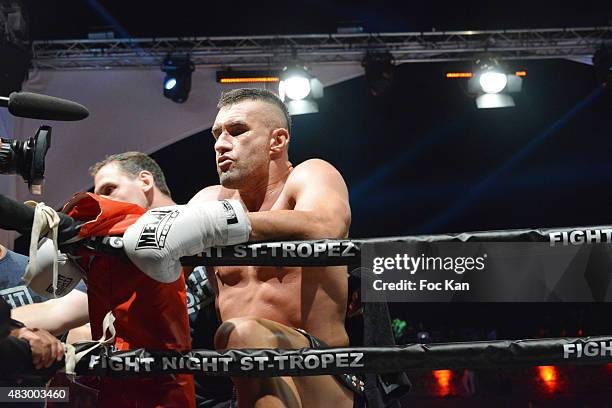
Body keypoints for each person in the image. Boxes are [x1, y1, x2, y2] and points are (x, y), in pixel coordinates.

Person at [189, 88, 356, 407]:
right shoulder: (209, 200)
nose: (221, 144)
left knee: (240, 333)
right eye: (217, 135)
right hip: (248, 384)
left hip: (320, 373)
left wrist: (224, 224)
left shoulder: (309, 176)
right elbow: (157, 262)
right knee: (234, 335)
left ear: (276, 142)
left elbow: (326, 225)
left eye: (236, 132)